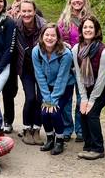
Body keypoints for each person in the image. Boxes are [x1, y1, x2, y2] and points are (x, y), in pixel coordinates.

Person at [72, 16, 105, 160]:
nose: (88, 30)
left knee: (92, 113)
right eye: (85, 27)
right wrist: (84, 98)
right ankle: (88, 145)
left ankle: (97, 148)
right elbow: (78, 75)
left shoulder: (103, 52)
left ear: (96, 30)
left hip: (104, 87)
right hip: (86, 86)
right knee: (82, 110)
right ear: (81, 30)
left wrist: (92, 100)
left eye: (91, 27)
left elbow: (102, 80)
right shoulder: (76, 49)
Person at [4, 0, 42, 134]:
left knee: (33, 95)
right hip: (11, 56)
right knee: (9, 90)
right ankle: (8, 120)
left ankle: (33, 125)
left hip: (27, 58)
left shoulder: (34, 11)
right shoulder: (8, 11)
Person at [32, 23, 75, 155]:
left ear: (58, 38)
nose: (49, 38)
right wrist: (46, 98)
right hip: (46, 87)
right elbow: (39, 76)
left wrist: (54, 99)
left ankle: (60, 140)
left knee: (55, 112)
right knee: (44, 112)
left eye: (53, 35)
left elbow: (62, 78)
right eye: (47, 35)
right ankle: (50, 138)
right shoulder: (36, 51)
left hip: (64, 86)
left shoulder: (66, 54)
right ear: (42, 36)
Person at [58, 0, 92, 142]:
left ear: (84, 0)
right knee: (65, 98)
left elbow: (96, 38)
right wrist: (63, 44)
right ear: (70, 1)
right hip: (66, 64)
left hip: (84, 64)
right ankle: (66, 128)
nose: (77, 0)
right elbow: (56, 40)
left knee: (81, 98)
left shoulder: (89, 19)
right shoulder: (64, 19)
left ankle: (80, 129)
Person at [15, 0, 46, 145]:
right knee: (30, 98)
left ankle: (37, 129)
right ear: (20, 12)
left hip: (41, 68)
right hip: (25, 67)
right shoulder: (16, 26)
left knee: (40, 99)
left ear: (35, 12)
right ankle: (27, 129)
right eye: (24, 11)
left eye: (29, 11)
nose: (26, 14)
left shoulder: (43, 26)